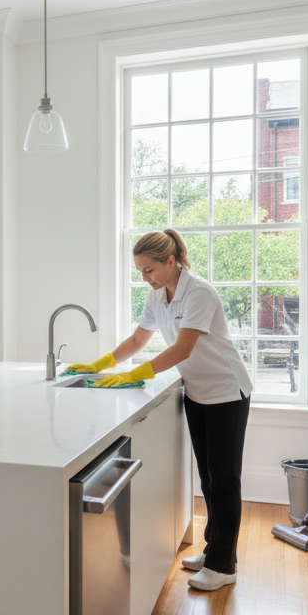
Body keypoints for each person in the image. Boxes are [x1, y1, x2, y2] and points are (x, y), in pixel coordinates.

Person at [74, 229, 253, 591]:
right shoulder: (157, 296)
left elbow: (183, 349)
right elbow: (139, 339)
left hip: (226, 393)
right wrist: (101, 364)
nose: (145, 278)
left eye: (149, 270)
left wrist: (137, 372)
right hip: (198, 392)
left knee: (224, 482)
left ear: (171, 262)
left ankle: (224, 566)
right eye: (140, 271)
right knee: (208, 479)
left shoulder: (199, 292)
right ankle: (214, 550)